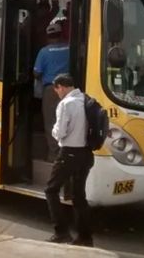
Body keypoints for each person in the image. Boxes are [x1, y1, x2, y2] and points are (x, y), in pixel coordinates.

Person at [44, 74, 94, 247]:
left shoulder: (66, 104)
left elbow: (61, 132)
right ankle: (85, 238)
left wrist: (53, 131)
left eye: (56, 89)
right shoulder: (86, 100)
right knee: (79, 196)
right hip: (86, 155)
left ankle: (61, 232)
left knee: (51, 190)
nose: (57, 93)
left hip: (69, 153)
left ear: (61, 87)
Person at [34, 22, 70, 162]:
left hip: (51, 89)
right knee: (67, 121)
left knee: (51, 122)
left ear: (48, 36)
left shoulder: (44, 51)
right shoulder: (69, 48)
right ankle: (66, 152)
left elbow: (37, 72)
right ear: (61, 35)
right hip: (68, 89)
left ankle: (54, 155)